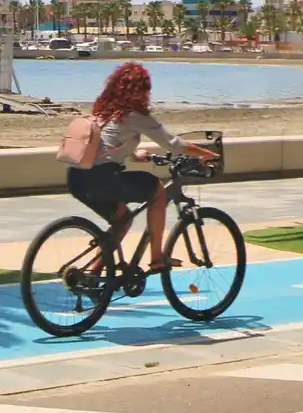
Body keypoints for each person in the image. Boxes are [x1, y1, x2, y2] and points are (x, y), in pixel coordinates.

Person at [65, 62, 216, 271]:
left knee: (123, 220)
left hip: (77, 179)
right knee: (156, 190)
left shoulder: (103, 113)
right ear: (142, 91)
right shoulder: (135, 115)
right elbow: (173, 144)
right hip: (101, 179)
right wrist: (207, 153)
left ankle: (93, 273)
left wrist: (134, 154)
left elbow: (105, 146)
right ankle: (157, 258)